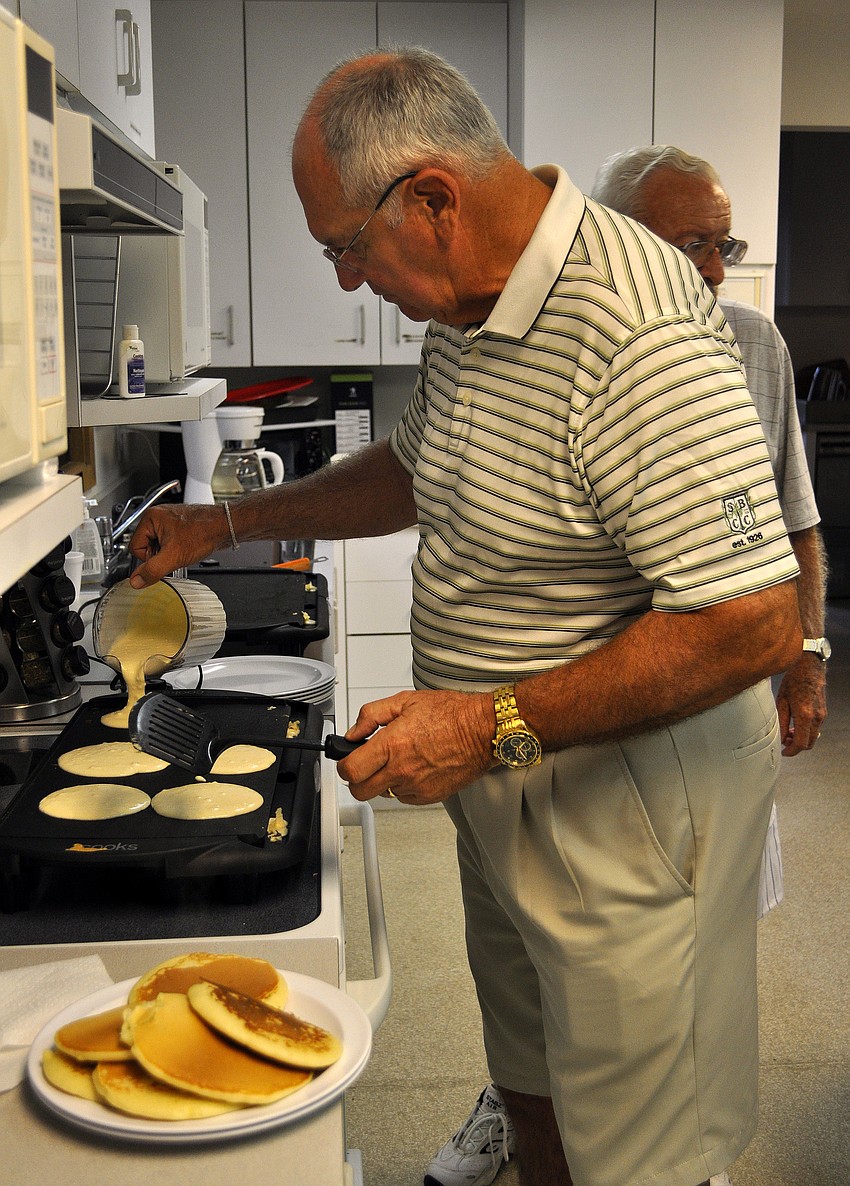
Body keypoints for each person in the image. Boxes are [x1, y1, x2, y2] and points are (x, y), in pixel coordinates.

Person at [129, 49, 803, 1186]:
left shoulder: (634, 329)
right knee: (532, 1084)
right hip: (511, 774)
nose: (348, 280)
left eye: (345, 245)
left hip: (624, 809)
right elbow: (417, 467)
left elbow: (750, 623)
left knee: (639, 1153)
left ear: (432, 200)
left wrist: (482, 725)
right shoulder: (472, 309)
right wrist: (224, 525)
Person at [431, 143, 831, 1186]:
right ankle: (535, 1109)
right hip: (544, 744)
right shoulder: (527, 338)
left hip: (686, 731)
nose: (709, 265)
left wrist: (810, 662)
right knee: (540, 992)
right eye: (685, 241)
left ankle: (677, 1143)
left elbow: (794, 527)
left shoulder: (751, 347)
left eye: (721, 243)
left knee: (688, 972)